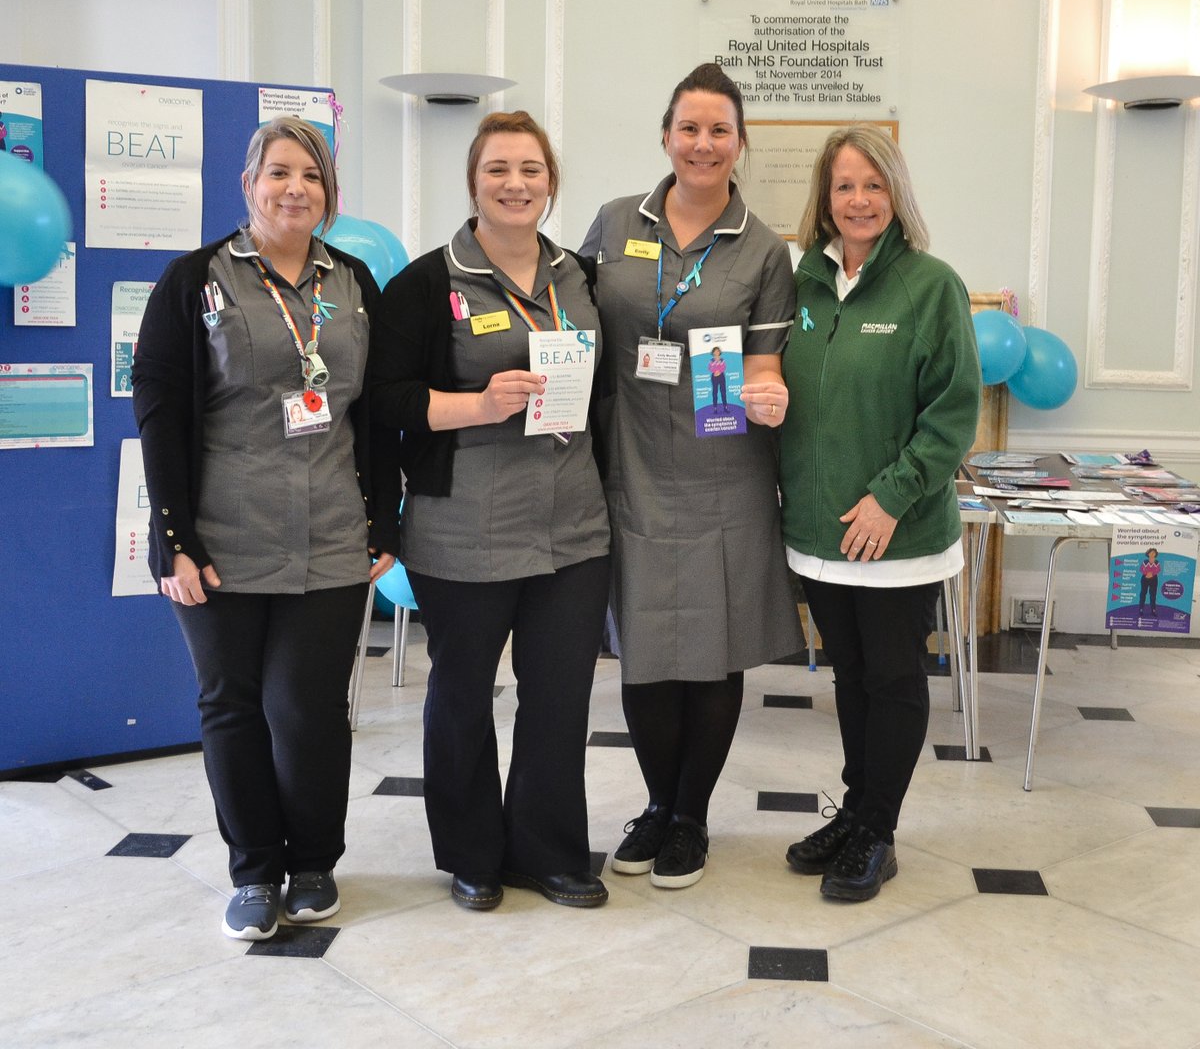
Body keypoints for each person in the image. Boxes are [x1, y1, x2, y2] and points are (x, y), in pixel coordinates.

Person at [132, 117, 401, 940]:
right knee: (233, 706)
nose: (295, 189)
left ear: (329, 193)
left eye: (311, 176)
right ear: (248, 185)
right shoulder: (195, 281)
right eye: (278, 173)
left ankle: (314, 861)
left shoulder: (352, 282)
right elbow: (159, 411)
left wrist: (380, 516)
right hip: (219, 538)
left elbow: (379, 413)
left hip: (327, 532)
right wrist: (173, 536)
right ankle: (253, 870)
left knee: (310, 707)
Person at [370, 110, 610, 912]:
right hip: (463, 526)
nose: (516, 185)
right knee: (464, 693)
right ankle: (472, 853)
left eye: (531, 170)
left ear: (551, 183)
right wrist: (476, 405)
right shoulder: (426, 282)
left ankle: (547, 851)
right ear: (473, 181)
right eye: (499, 169)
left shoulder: (579, 276)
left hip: (572, 527)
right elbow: (383, 400)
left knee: (558, 696)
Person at [580, 63, 801, 889]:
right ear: (666, 136)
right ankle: (654, 805)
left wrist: (770, 393)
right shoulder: (611, 224)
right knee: (646, 648)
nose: (702, 144)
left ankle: (691, 818)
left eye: (719, 130)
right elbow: (571, 322)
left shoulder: (765, 248)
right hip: (629, 463)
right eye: (689, 128)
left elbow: (766, 365)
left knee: (711, 653)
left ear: (740, 144)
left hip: (722, 475)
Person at [779, 124, 981, 901]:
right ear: (824, 200)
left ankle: (879, 832)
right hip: (821, 534)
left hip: (897, 534)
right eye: (843, 186)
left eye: (872, 184)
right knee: (851, 675)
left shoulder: (931, 286)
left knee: (893, 678)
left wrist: (892, 498)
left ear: (895, 194)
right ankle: (857, 810)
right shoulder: (801, 285)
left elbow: (952, 413)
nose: (858, 199)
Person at [1139, 548, 1160, 615]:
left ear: (1156, 554)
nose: (1152, 554)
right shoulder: (1145, 562)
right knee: (1143, 593)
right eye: (1151, 552)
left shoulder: (1157, 562)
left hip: (1154, 579)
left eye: (1154, 553)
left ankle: (1153, 610)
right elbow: (1141, 569)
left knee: (1153, 595)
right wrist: (1146, 574)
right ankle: (1141, 609)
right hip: (1145, 578)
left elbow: (1158, 570)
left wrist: (1152, 574)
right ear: (1148, 554)